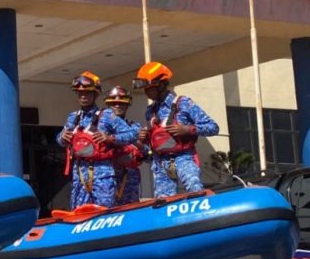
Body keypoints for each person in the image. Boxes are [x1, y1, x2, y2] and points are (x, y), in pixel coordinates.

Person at [134, 61, 219, 198]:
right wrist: (144, 138)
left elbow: (213, 128)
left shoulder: (183, 103)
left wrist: (187, 129)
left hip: (184, 157)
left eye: (149, 88)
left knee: (195, 192)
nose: (146, 92)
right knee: (163, 202)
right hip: (161, 163)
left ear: (161, 85)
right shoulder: (150, 111)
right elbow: (157, 141)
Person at [56, 72, 136, 209]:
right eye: (79, 93)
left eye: (87, 93)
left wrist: (111, 138)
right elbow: (59, 140)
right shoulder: (73, 117)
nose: (83, 96)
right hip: (79, 176)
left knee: (104, 213)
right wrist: (62, 138)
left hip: (102, 175)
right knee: (80, 215)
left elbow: (132, 134)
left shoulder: (107, 116)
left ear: (96, 94)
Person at [104, 85, 146, 206]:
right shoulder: (100, 128)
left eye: (121, 103)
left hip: (129, 178)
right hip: (106, 177)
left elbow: (147, 154)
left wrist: (137, 143)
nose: (118, 106)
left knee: (131, 210)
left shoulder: (135, 127)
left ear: (127, 105)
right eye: (114, 103)